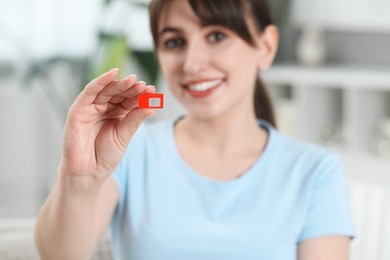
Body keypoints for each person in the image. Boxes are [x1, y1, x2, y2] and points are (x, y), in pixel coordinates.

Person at [34, 0, 355, 259]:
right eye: (174, 42)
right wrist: (79, 179)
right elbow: (59, 256)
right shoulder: (128, 150)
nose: (192, 63)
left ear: (266, 46)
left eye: (217, 36)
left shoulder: (315, 171)